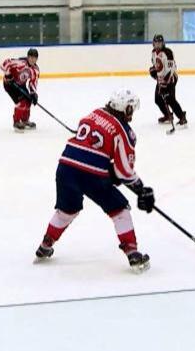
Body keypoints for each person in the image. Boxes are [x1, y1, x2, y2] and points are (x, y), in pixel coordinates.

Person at [33, 89, 155, 273]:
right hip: (91, 175)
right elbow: (124, 171)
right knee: (119, 210)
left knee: (67, 210)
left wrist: (110, 171)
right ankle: (132, 253)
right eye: (131, 109)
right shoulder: (125, 131)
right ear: (125, 109)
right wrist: (141, 189)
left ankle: (45, 245)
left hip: (65, 167)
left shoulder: (94, 113)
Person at [150, 34, 187, 126]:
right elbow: (157, 66)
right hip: (161, 79)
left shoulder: (168, 52)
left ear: (163, 43)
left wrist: (166, 82)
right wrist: (153, 71)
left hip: (171, 78)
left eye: (160, 43)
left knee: (170, 99)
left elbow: (172, 68)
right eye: (156, 43)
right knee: (158, 99)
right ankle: (168, 115)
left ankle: (182, 117)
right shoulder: (153, 53)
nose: (158, 45)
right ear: (153, 44)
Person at [1, 48, 40, 132]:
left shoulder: (35, 70)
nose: (33, 60)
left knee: (28, 100)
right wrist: (8, 75)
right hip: (9, 84)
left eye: (35, 58)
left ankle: (24, 120)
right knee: (22, 101)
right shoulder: (20, 62)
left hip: (20, 85)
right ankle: (16, 122)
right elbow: (5, 63)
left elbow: (33, 82)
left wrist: (33, 93)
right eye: (31, 57)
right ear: (28, 57)